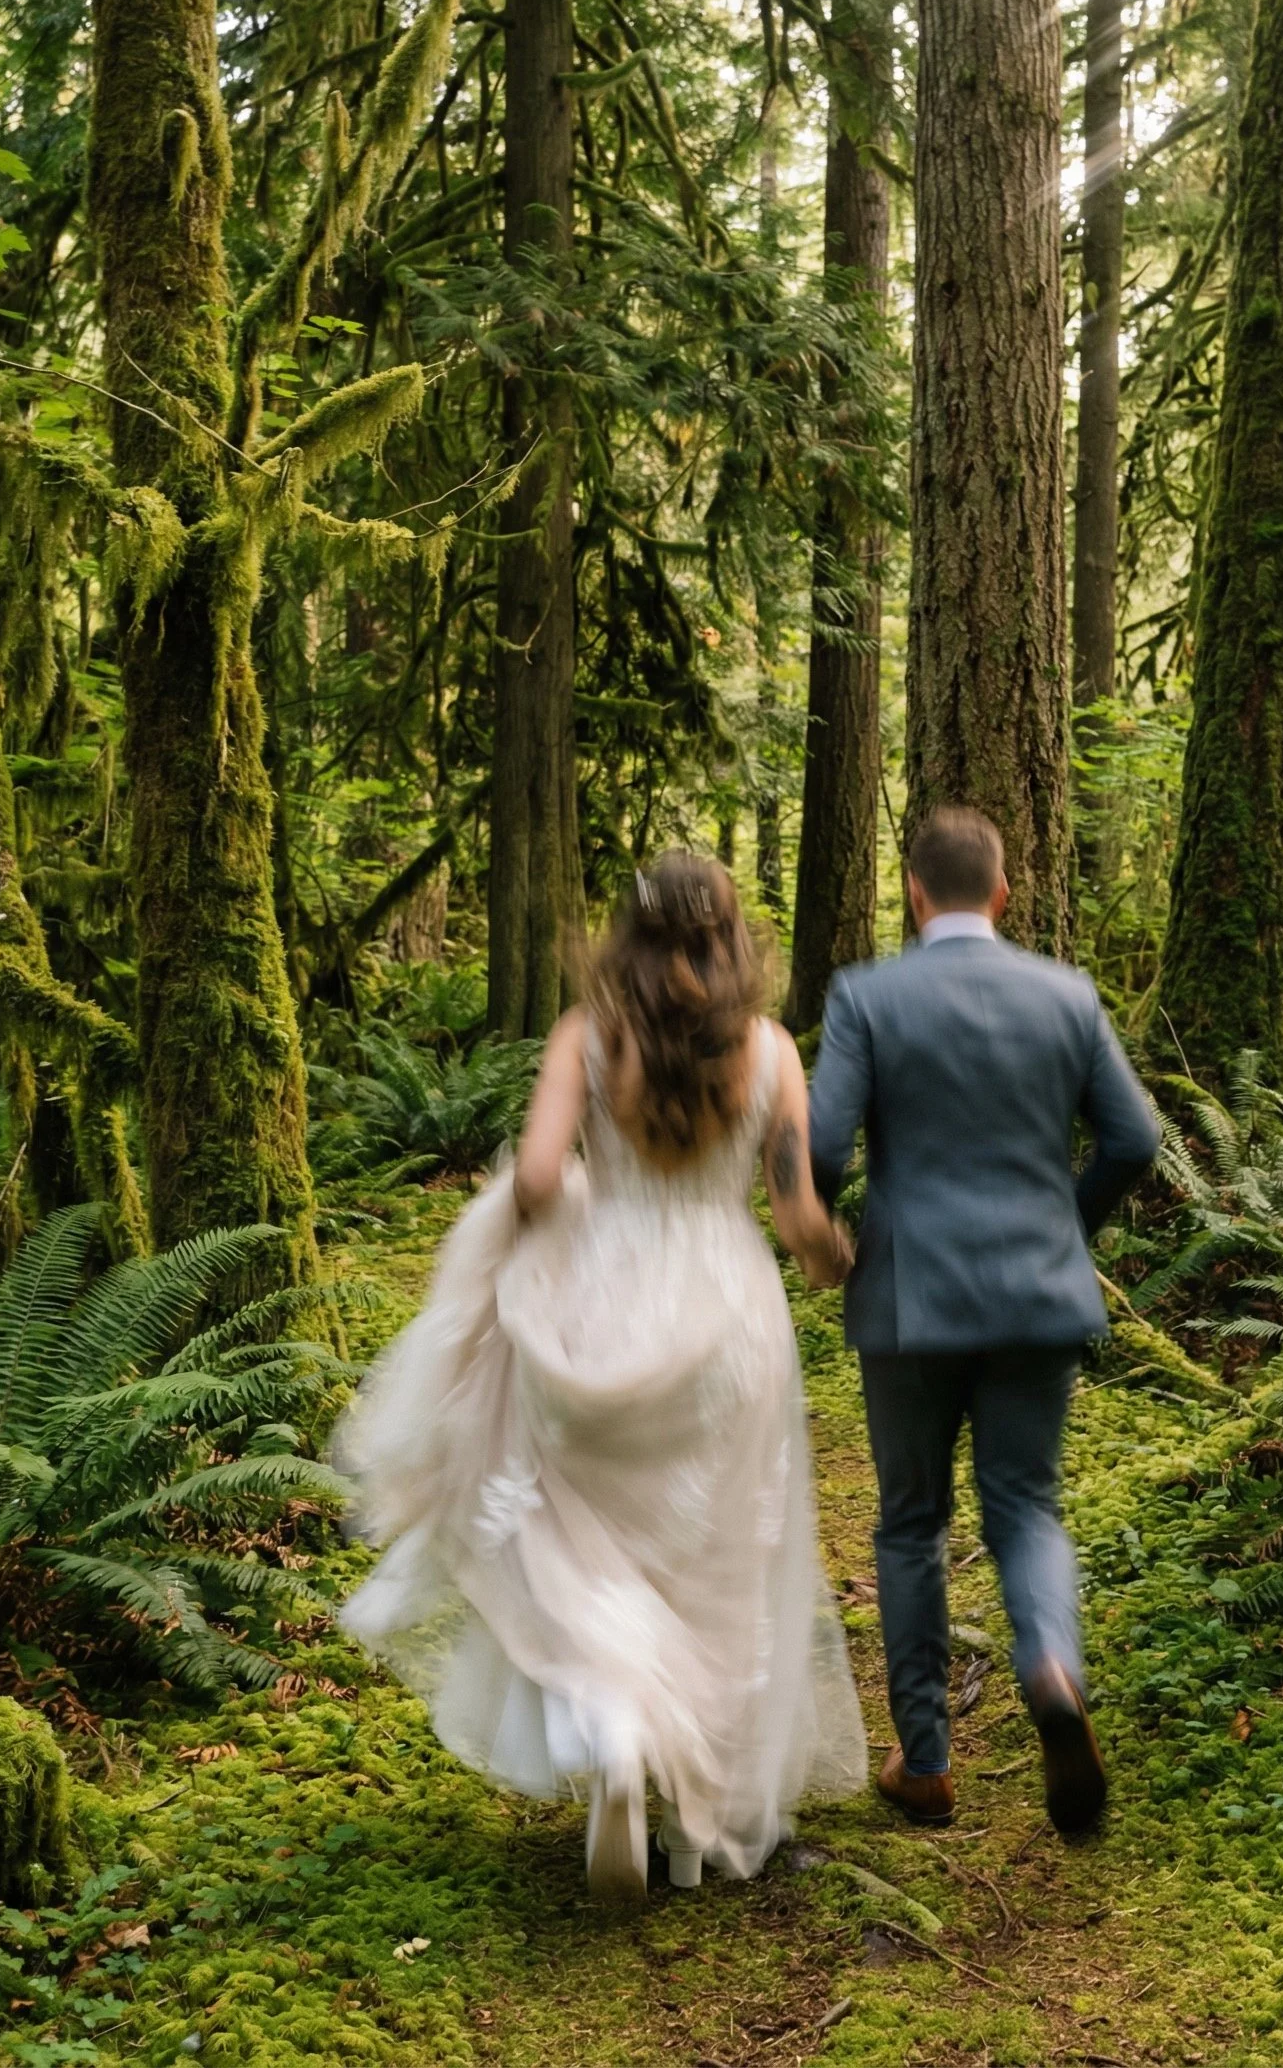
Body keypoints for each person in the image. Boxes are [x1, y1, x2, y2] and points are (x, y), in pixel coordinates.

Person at [337, 854, 866, 1901]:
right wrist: (836, 1260)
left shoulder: (587, 1036)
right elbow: (799, 1213)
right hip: (727, 1318)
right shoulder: (767, 1053)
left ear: (625, 933)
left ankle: (617, 1729)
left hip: (600, 1310)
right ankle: (691, 1832)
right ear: (730, 937)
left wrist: (563, 1209)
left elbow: (536, 1177)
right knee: (718, 1561)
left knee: (595, 1549)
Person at [808, 805, 1160, 1836]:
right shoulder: (1065, 995)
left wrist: (832, 1232)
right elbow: (1133, 1141)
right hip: (1036, 1297)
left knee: (910, 1525)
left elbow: (823, 1152)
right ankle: (1050, 1664)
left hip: (909, 1299)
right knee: (1026, 1510)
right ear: (1001, 894)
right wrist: (1065, 1228)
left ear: (914, 894)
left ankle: (924, 1762)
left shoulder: (867, 997)